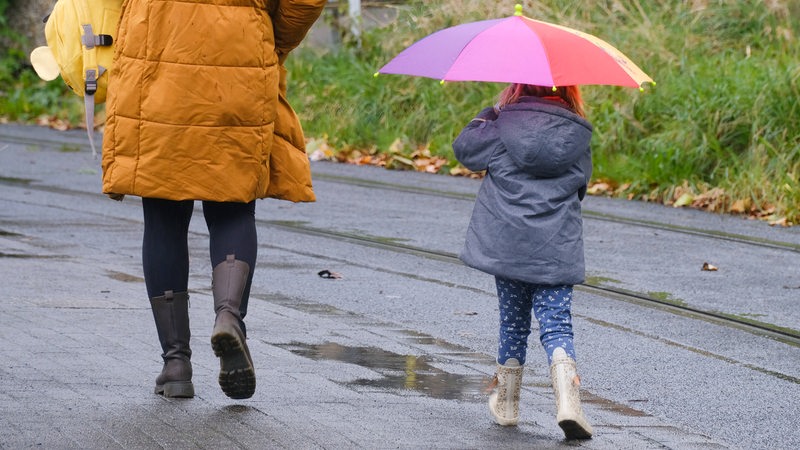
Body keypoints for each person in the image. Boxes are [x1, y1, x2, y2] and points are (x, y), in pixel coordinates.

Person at [100, 0, 327, 400]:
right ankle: (228, 316)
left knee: (164, 213)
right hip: (239, 56)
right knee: (233, 205)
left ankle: (175, 364)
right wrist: (272, 40)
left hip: (156, 55)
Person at [452, 83, 594, 439]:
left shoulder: (501, 124)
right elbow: (581, 186)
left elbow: (465, 150)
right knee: (557, 324)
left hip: (508, 244)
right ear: (568, 90)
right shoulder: (575, 132)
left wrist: (489, 114)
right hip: (555, 246)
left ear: (516, 86)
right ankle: (568, 401)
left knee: (513, 324)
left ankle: (508, 403)